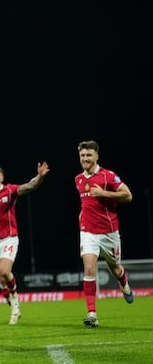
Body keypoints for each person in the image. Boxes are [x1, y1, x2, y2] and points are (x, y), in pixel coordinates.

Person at [0, 161, 49, 324]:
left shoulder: (9, 190)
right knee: (1, 279)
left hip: (9, 238)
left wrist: (39, 176)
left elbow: (30, 187)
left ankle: (16, 304)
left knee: (4, 271)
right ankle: (12, 305)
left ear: (2, 177)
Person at [74, 140, 134, 327]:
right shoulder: (78, 179)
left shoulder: (108, 176)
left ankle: (124, 284)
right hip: (88, 232)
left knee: (115, 268)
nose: (85, 158)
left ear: (97, 156)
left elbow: (128, 195)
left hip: (109, 232)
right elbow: (86, 204)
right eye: (83, 155)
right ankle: (92, 314)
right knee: (89, 268)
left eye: (89, 155)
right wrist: (82, 217)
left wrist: (104, 193)